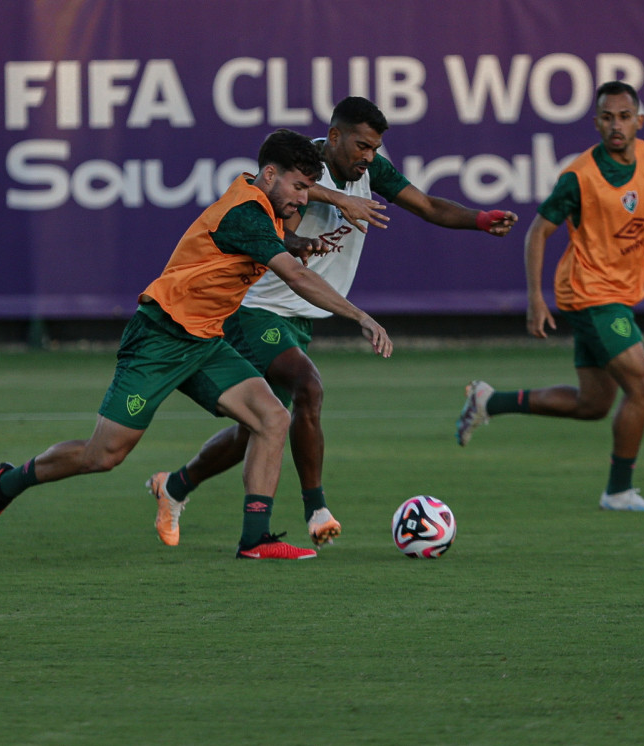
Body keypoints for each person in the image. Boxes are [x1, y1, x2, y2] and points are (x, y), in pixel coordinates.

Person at [0, 129, 393, 560]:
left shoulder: (262, 206)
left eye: (309, 188)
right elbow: (297, 277)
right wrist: (359, 316)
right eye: (299, 187)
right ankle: (7, 482)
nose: (304, 199)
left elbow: (261, 243)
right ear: (269, 174)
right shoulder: (247, 211)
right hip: (161, 337)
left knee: (271, 418)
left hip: (206, 341)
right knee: (103, 455)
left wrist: (296, 241)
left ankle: (255, 539)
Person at [146, 96, 517, 549]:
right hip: (257, 309)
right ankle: (316, 508)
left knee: (260, 429)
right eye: (361, 145)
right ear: (335, 138)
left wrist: (479, 219)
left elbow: (427, 206)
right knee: (309, 386)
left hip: (301, 316)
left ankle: (176, 486)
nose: (369, 156)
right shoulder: (303, 167)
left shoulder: (370, 171)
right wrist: (334, 201)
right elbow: (268, 211)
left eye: (375, 147)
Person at [456, 81, 644, 512]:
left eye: (624, 116)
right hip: (591, 294)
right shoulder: (579, 177)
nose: (616, 125)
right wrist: (536, 298)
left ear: (639, 120)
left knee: (594, 404)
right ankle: (619, 491)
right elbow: (538, 232)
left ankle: (489, 400)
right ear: (596, 122)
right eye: (607, 117)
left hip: (619, 293)